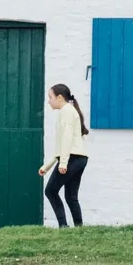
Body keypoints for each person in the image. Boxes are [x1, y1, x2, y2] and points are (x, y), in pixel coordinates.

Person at [39, 83, 89, 227]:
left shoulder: (66, 111)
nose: (49, 100)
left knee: (50, 191)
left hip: (71, 158)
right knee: (71, 196)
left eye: (50, 97)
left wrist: (63, 163)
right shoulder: (70, 110)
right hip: (80, 158)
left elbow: (66, 139)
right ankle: (79, 227)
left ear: (60, 97)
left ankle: (63, 226)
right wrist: (47, 167)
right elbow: (62, 147)